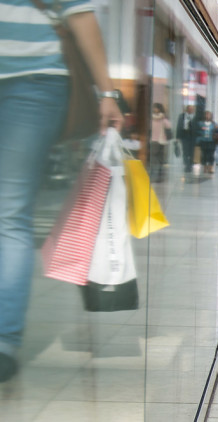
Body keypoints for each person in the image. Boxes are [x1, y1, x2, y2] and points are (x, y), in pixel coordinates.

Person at [0, 2, 123, 382]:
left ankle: (4, 339)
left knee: (8, 210)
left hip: (33, 80)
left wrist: (108, 92)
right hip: (32, 83)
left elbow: (79, 14)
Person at [150, 103, 171, 182]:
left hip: (160, 140)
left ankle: (158, 175)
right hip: (154, 140)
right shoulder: (153, 119)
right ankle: (156, 175)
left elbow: (169, 127)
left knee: (159, 159)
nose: (155, 110)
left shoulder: (163, 120)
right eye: (154, 108)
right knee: (156, 159)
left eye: (156, 108)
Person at [176, 105, 197, 173]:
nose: (191, 110)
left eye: (192, 109)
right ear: (187, 109)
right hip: (184, 135)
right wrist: (177, 137)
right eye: (190, 109)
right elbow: (179, 126)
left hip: (193, 136)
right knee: (185, 151)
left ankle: (190, 165)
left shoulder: (195, 117)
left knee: (191, 152)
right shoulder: (182, 116)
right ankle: (186, 164)